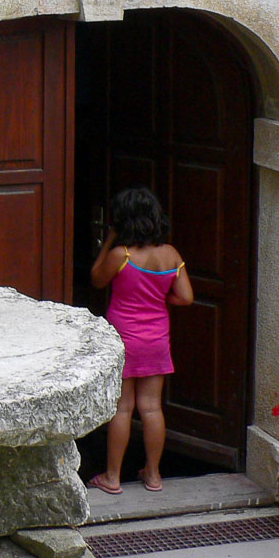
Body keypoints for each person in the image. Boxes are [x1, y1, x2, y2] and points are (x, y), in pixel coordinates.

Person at [88, 186, 194, 493]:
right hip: (157, 337)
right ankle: (153, 474)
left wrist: (108, 240)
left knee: (122, 408)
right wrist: (161, 301)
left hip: (124, 337)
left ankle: (112, 476)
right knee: (151, 408)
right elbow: (186, 297)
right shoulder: (171, 254)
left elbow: (96, 278)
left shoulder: (121, 255)